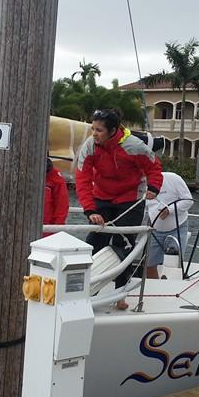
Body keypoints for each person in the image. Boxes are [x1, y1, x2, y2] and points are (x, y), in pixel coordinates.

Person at [75, 108, 162, 305]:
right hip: (101, 197)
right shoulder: (90, 146)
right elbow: (82, 179)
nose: (94, 134)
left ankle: (120, 294)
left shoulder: (134, 145)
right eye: (92, 129)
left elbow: (154, 166)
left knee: (124, 245)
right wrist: (90, 210)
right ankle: (89, 290)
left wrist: (154, 187)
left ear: (113, 131)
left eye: (99, 130)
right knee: (94, 243)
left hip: (130, 199)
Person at [0, 157, 69, 234]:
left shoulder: (55, 179)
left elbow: (61, 209)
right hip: (12, 230)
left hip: (41, 232)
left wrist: (53, 233)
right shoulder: (14, 171)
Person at [145, 171, 193, 279]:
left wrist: (169, 210)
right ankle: (155, 286)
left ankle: (171, 285)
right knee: (149, 264)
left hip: (177, 228)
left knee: (173, 263)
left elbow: (188, 201)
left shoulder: (173, 178)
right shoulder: (141, 185)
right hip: (155, 230)